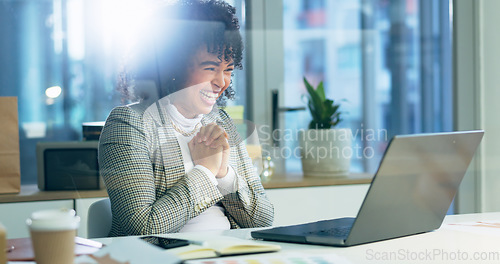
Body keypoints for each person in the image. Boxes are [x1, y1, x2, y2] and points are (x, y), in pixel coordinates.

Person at [98, 0, 274, 236]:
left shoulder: (221, 122)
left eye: (228, 69)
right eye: (210, 67)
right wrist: (205, 172)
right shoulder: (129, 123)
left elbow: (262, 220)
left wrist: (224, 175)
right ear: (174, 65)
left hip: (229, 253)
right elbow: (140, 229)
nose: (222, 81)